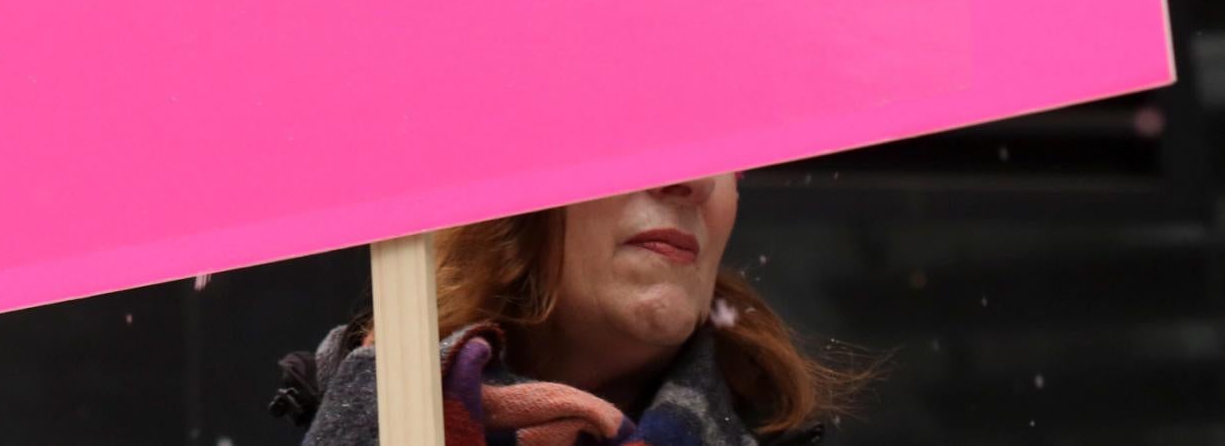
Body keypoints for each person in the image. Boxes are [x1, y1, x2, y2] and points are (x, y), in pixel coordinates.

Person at [272, 177, 863, 445]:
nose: (697, 182)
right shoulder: (368, 409)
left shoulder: (770, 425)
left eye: (725, 144)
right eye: (640, 117)